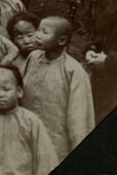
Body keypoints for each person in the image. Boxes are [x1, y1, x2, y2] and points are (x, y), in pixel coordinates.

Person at [19, 15, 94, 165]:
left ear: (62, 40)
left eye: (44, 32)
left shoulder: (72, 70)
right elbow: (19, 88)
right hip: (27, 133)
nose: (37, 35)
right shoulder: (33, 58)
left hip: (56, 140)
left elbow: (78, 116)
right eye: (38, 30)